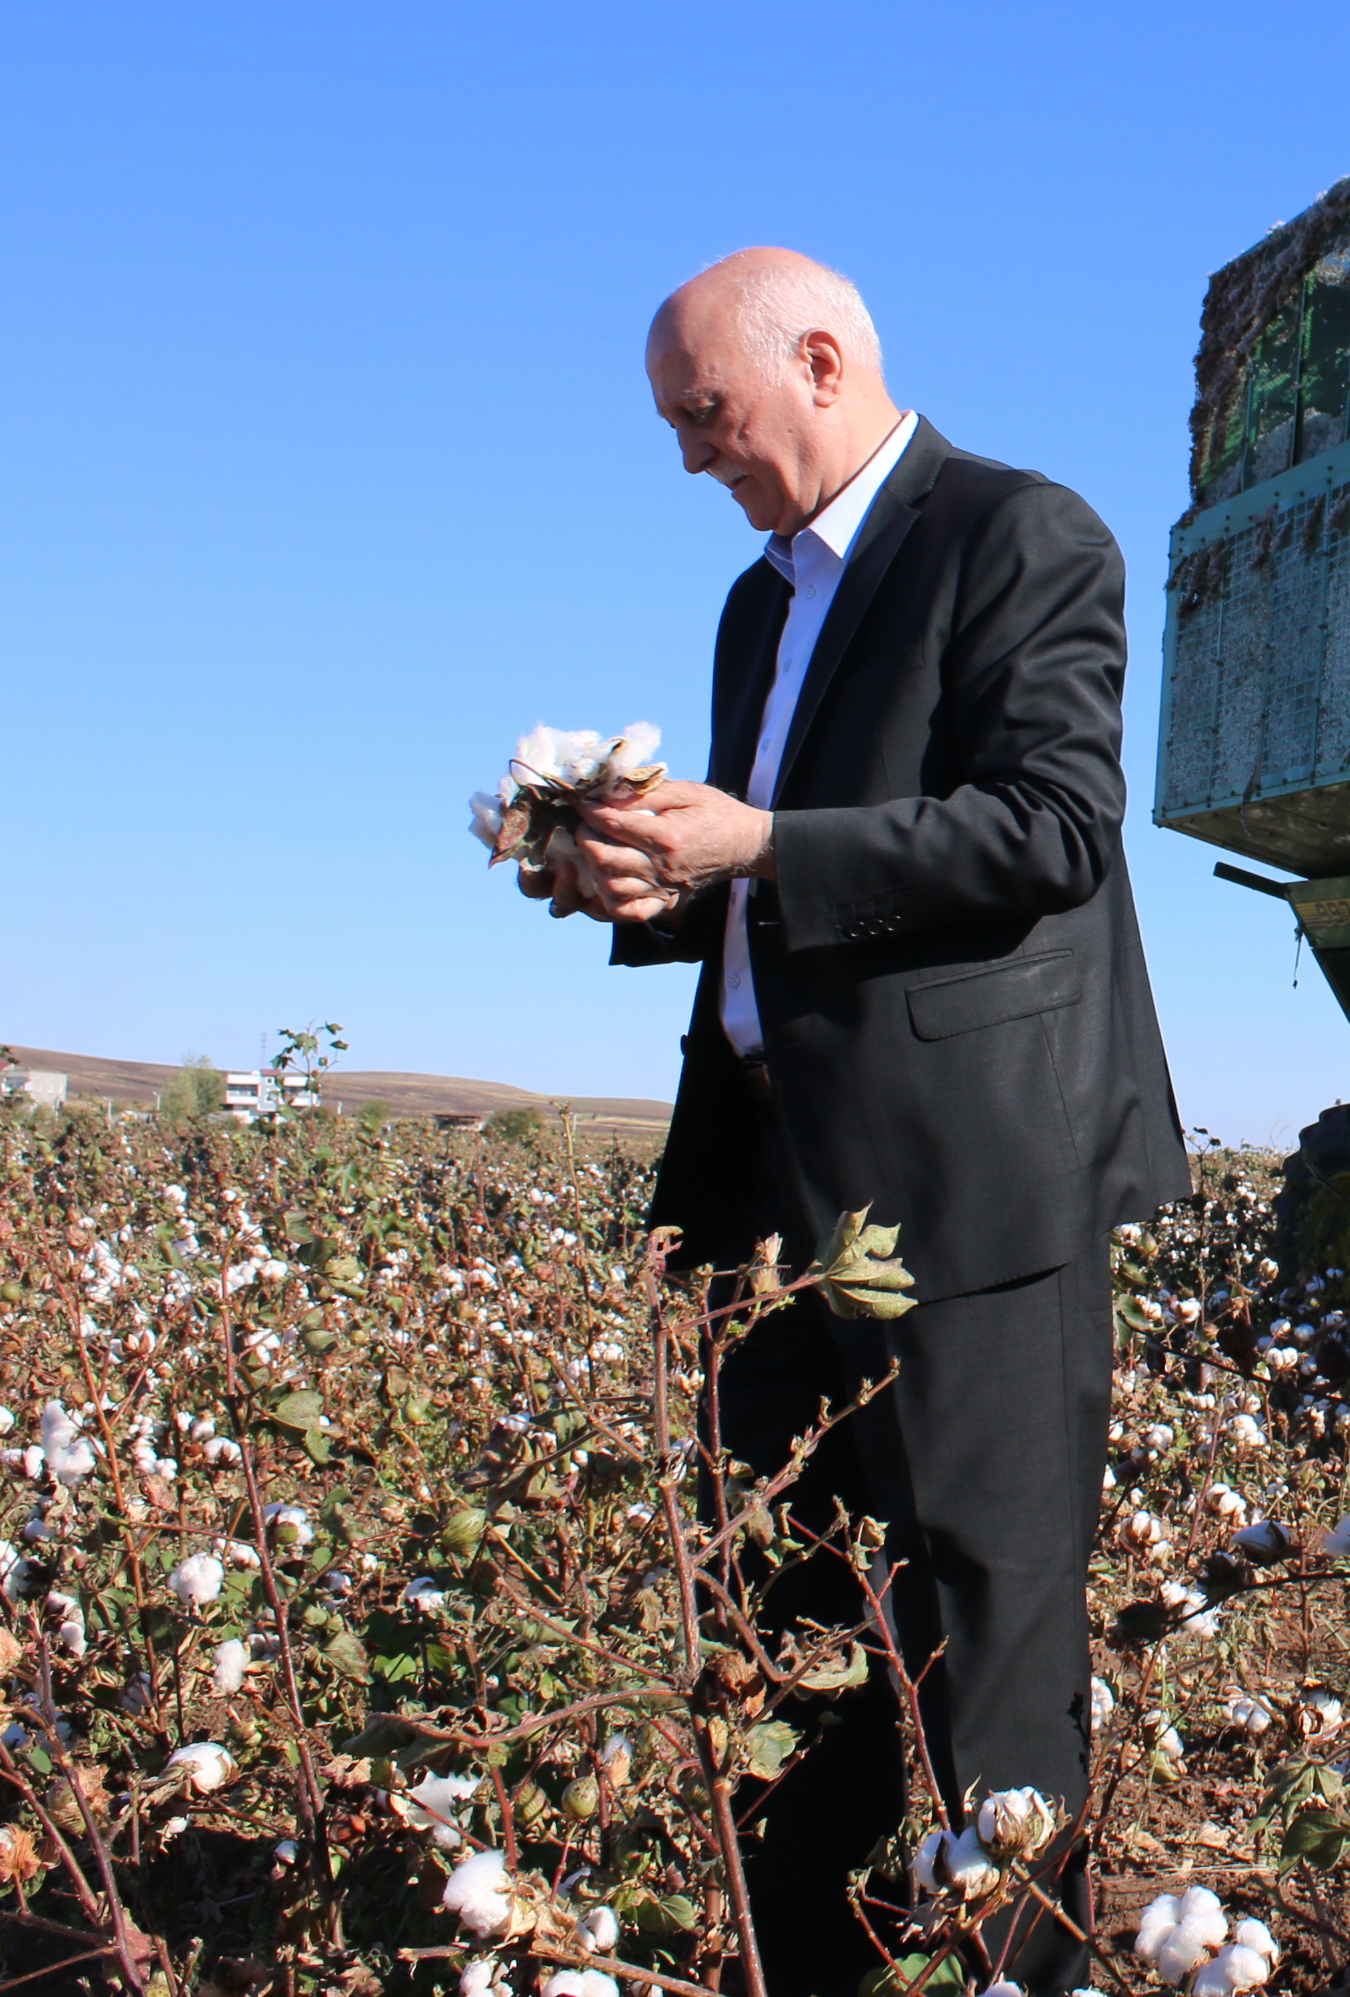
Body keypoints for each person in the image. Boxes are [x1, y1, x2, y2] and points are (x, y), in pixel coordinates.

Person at [534, 247, 1185, 1992]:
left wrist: (745, 841)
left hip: (963, 1184)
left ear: (817, 359)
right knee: (788, 1615)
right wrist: (627, 876)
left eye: (706, 416)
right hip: (768, 1175)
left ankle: (1015, 1973)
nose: (690, 459)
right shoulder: (764, 601)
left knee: (986, 1623)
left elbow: (1050, 829)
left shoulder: (1020, 536)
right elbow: (771, 889)